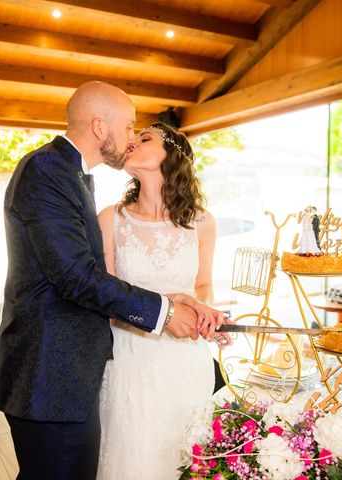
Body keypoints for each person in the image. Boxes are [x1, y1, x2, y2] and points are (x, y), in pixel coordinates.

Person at [0, 81, 224, 479]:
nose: (132, 138)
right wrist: (166, 311)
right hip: (51, 371)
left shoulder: (73, 175)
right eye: (131, 127)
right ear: (101, 127)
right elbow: (77, 278)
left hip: (75, 373)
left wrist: (184, 300)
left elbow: (89, 279)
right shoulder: (48, 170)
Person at [96, 123, 228, 478]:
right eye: (133, 138)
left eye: (145, 138)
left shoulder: (202, 222)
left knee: (185, 456)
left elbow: (205, 283)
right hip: (129, 357)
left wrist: (199, 306)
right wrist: (170, 304)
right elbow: (104, 297)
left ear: (171, 155)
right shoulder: (112, 219)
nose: (132, 142)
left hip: (185, 358)